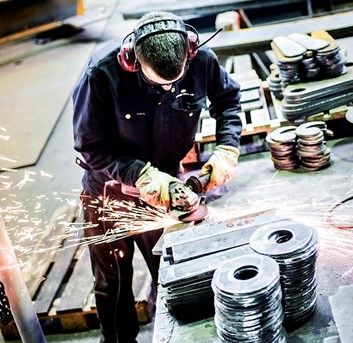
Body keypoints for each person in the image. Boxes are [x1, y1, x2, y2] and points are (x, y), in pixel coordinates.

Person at [72, 11, 242, 342]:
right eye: (157, 83)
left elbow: (228, 101)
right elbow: (90, 147)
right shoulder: (102, 75)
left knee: (170, 271)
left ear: (190, 53)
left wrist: (226, 150)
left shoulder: (203, 62)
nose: (168, 88)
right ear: (132, 60)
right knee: (112, 283)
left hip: (167, 189)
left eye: (175, 82)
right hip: (106, 192)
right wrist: (139, 175)